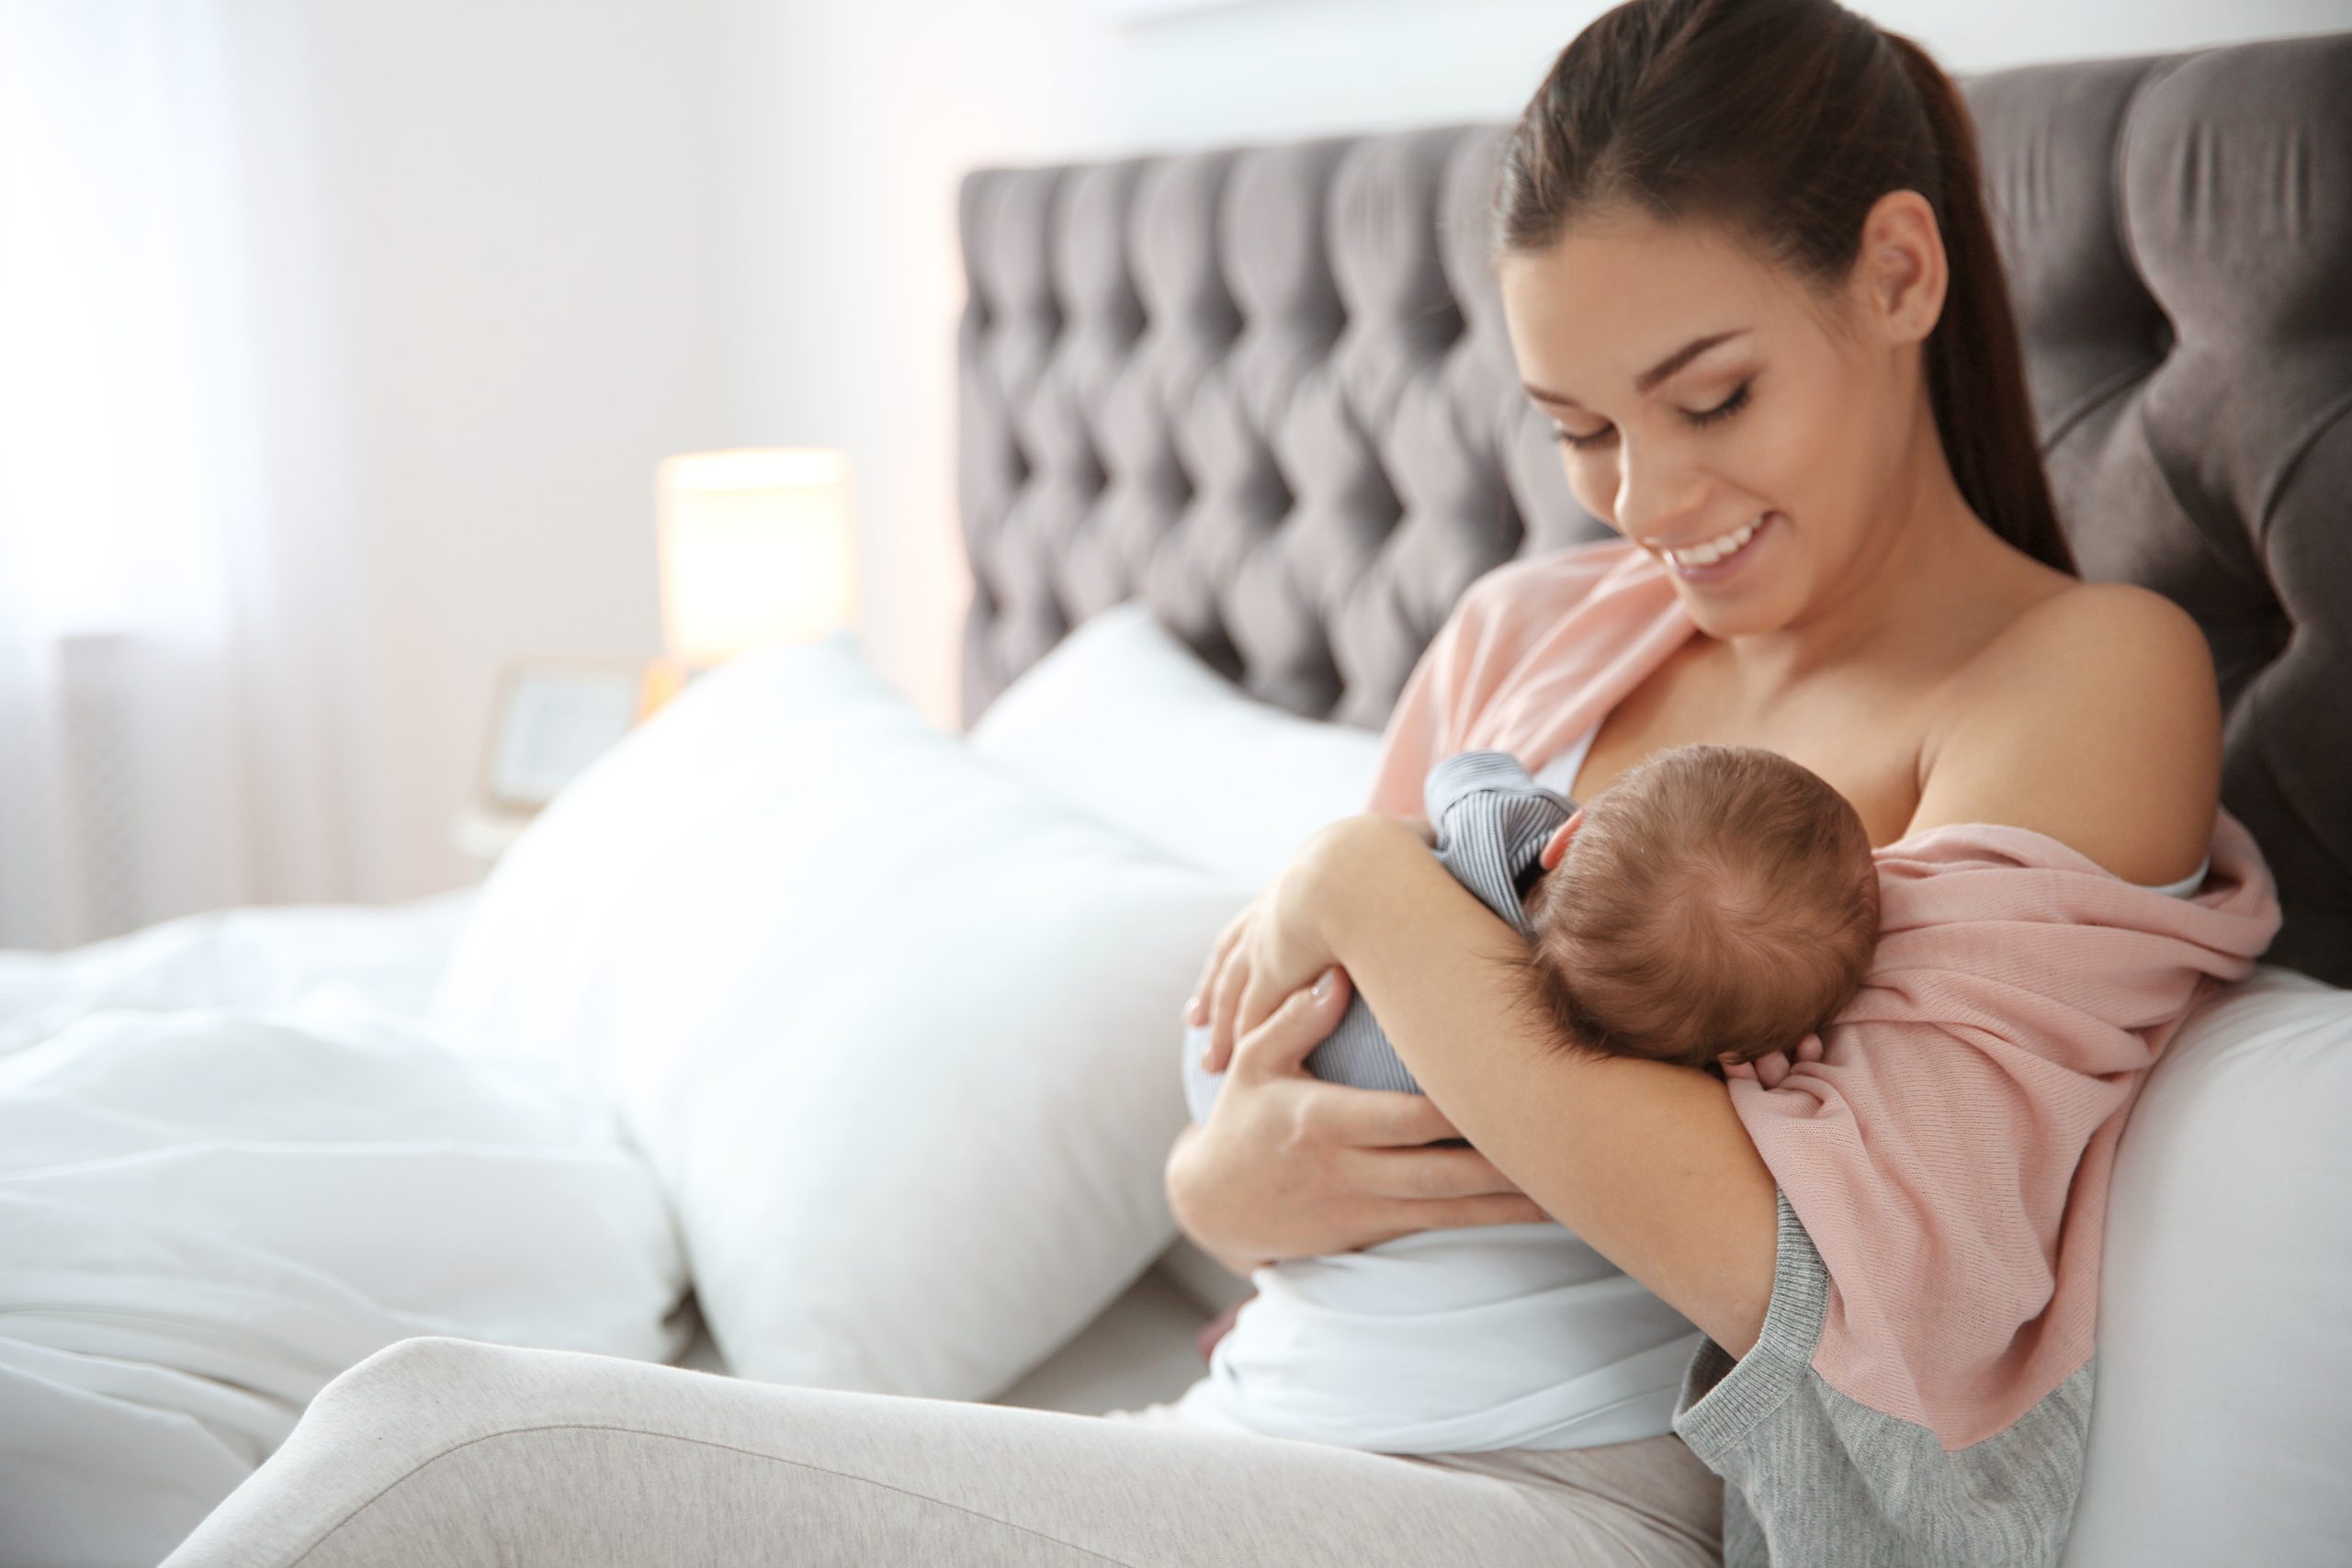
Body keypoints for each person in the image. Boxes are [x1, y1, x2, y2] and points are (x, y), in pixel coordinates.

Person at [160, 1, 2278, 1564]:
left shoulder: (2076, 673)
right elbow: (1255, 1084)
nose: (1646, 499)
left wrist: (1372, 881)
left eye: (1703, 393)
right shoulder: (1533, 635)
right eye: (1574, 430)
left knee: (441, 1444)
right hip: (1265, 1397)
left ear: (1895, 275)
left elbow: (1815, 1262)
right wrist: (1218, 1184)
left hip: (1552, 1488)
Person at [1159, 741, 1878, 1460]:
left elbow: (1462, 775)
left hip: (1251, 1050)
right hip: (1310, 1170)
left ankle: (1256, 1305)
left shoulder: (1497, 835)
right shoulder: (1668, 1062)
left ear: (1567, 835)